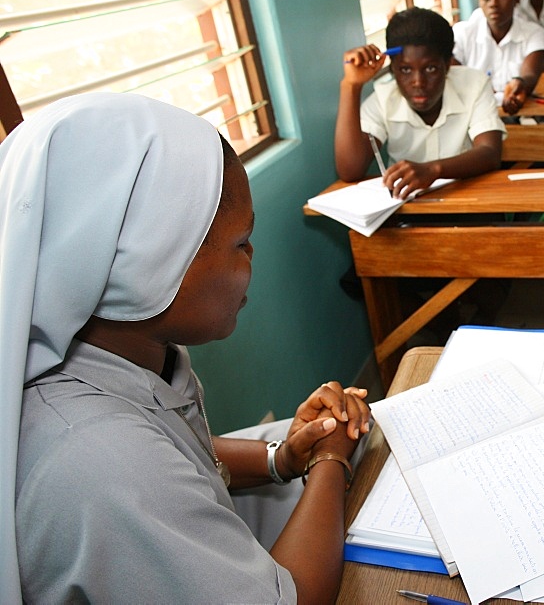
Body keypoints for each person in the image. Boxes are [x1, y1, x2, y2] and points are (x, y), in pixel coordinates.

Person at [2, 92, 372, 602]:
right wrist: (332, 459)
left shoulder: (131, 353)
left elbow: (179, 450)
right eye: (241, 242)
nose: (253, 255)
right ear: (149, 265)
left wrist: (281, 458)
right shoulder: (100, 458)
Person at [336, 8, 505, 199]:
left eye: (431, 68)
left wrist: (434, 169)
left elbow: (490, 153)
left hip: (468, 201)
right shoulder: (384, 99)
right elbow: (350, 171)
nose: (418, 82)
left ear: (448, 64)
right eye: (405, 69)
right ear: (392, 69)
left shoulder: (474, 84)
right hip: (408, 212)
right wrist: (351, 86)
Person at [453, 0, 544, 115]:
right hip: (473, 116)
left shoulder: (534, 33)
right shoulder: (462, 34)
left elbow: (530, 75)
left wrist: (520, 84)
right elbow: (455, 74)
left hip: (520, 115)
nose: (493, 4)